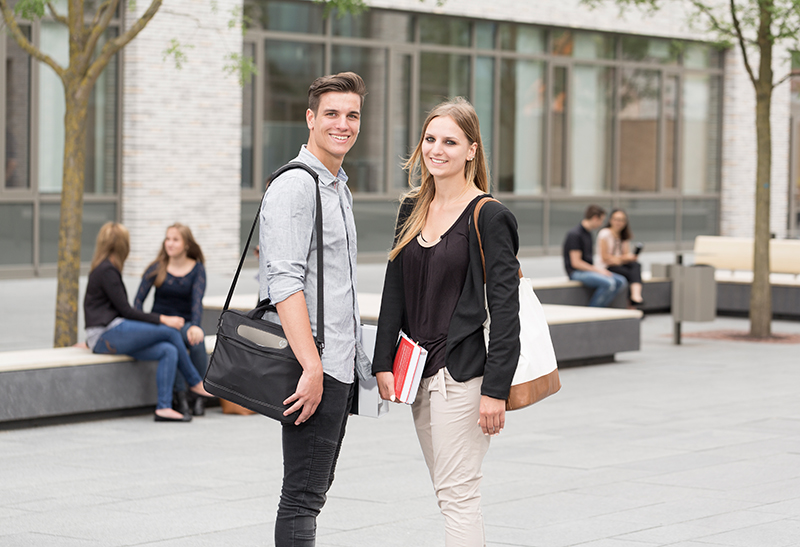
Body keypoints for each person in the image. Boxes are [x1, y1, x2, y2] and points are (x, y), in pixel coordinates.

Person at [373, 97, 520, 547]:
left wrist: (495, 391)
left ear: (472, 150)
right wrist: (383, 361)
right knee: (448, 491)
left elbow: (506, 310)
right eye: (430, 139)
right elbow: (393, 288)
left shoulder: (490, 216)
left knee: (458, 494)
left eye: (450, 141)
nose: (437, 149)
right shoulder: (412, 208)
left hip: (463, 376)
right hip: (417, 373)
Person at [259, 71, 370, 546]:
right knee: (301, 497)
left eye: (352, 115)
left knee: (313, 492)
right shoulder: (296, 187)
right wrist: (311, 366)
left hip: (337, 366)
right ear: (310, 118)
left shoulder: (336, 186)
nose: (343, 124)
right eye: (332, 114)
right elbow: (284, 282)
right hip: (315, 367)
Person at [83, 222, 213, 422]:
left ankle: (164, 407)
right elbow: (127, 310)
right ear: (122, 246)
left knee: (168, 350)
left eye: (175, 239)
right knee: (170, 332)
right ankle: (195, 382)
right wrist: (163, 319)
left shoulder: (106, 268)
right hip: (105, 335)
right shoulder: (107, 270)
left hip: (108, 333)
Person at [134, 223, 208, 416]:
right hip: (160, 323)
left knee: (197, 341)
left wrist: (196, 326)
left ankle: (198, 397)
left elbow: (196, 302)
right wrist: (146, 323)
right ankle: (181, 397)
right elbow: (138, 302)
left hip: (184, 322)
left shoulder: (197, 269)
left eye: (175, 239)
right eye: (168, 239)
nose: (170, 243)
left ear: (186, 244)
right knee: (172, 345)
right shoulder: (156, 267)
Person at [563, 204, 628, 307]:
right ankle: (592, 310)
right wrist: (599, 271)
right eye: (601, 220)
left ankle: (601, 308)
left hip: (588, 270)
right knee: (609, 283)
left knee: (621, 281)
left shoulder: (588, 233)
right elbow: (576, 263)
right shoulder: (575, 234)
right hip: (576, 272)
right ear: (595, 218)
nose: (602, 223)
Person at [596, 208, 644, 307]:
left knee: (636, 266)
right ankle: (632, 303)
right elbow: (605, 259)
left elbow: (625, 256)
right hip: (606, 267)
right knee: (630, 274)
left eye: (622, 220)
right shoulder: (604, 234)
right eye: (616, 219)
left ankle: (636, 296)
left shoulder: (623, 236)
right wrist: (622, 259)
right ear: (611, 220)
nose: (619, 223)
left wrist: (624, 258)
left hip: (618, 265)